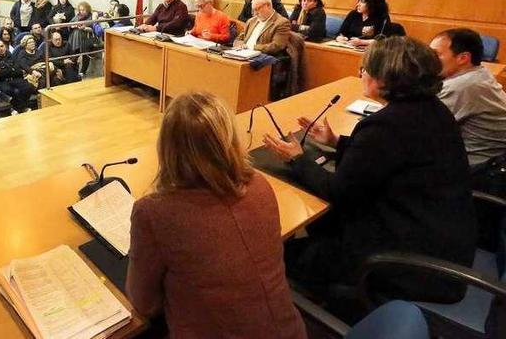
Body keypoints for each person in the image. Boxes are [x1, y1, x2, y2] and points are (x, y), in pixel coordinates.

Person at [263, 37, 476, 304]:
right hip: (439, 237)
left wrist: (298, 159)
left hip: (410, 260)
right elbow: (392, 156)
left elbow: (338, 192)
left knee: (282, 252)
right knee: (322, 223)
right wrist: (335, 141)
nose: (361, 73)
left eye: (365, 68)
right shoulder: (432, 109)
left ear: (383, 79)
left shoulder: (385, 126)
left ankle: (319, 307)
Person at [127, 92, 306, 338]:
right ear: (230, 139)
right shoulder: (260, 184)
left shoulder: (153, 212)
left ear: (167, 148)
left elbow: (144, 303)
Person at [430, 28, 506, 169]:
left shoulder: (463, 86)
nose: (429, 59)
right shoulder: (479, 73)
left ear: (463, 58)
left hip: (476, 167)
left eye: (436, 54)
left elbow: (419, 126)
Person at [0, 39, 34, 113]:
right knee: (8, 90)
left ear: (5, 46)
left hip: (14, 78)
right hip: (2, 81)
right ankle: (23, 107)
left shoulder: (11, 55)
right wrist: (10, 70)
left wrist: (4, 72)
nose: (1, 49)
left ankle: (17, 108)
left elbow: (18, 70)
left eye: (2, 46)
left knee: (29, 87)